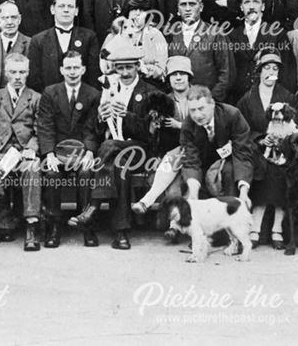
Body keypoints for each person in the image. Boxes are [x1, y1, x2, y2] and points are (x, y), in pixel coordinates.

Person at [67, 39, 158, 250]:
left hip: (140, 151)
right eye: (120, 68)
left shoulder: (150, 93)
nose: (125, 73)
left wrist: (126, 117)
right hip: (115, 156)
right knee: (118, 166)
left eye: (129, 67)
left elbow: (151, 134)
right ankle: (121, 232)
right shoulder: (106, 92)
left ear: (137, 67)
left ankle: (92, 208)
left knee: (109, 147)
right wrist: (100, 118)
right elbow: (90, 130)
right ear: (114, 68)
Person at [37, 50, 101, 248]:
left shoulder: (92, 94)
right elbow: (45, 126)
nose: (72, 72)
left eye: (76, 68)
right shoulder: (50, 93)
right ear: (61, 69)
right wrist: (49, 154)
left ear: (83, 69)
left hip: (82, 152)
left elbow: (92, 128)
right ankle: (54, 226)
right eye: (68, 68)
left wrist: (89, 152)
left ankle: (86, 225)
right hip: (57, 152)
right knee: (52, 174)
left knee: (86, 172)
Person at [0, 53, 42, 250]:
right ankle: (2, 223)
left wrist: (32, 148)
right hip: (0, 154)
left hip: (25, 153)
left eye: (22, 72)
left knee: (32, 169)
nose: (18, 77)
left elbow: (40, 130)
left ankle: (31, 226)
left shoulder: (36, 98)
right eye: (13, 72)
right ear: (6, 73)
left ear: (28, 73)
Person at [237, 53, 297, 250]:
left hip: (283, 151)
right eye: (266, 68)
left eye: (275, 69)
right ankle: (255, 228)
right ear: (259, 71)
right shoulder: (247, 98)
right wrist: (261, 138)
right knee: (263, 170)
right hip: (257, 149)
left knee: (280, 173)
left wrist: (282, 141)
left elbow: (297, 126)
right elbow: (241, 128)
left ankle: (277, 229)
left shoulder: (287, 96)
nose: (270, 73)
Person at [130, 56, 193, 225]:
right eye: (174, 75)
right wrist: (154, 126)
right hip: (171, 158)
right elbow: (154, 137)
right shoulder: (162, 101)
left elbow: (207, 127)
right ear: (168, 78)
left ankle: (147, 201)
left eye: (182, 74)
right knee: (173, 191)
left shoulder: (199, 97)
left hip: (198, 153)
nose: (178, 78)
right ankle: (175, 225)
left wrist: (180, 125)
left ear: (189, 77)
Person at [178, 85, 254, 206]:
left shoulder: (232, 115)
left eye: (201, 108)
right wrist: (192, 194)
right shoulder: (188, 125)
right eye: (192, 110)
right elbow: (191, 160)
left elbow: (243, 152)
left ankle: (233, 211)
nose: (197, 115)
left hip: (232, 161)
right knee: (190, 183)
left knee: (229, 171)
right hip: (204, 164)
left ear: (212, 104)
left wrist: (244, 192)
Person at [165, 0, 234, 102]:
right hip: (178, 103)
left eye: (192, 4)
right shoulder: (170, 34)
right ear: (178, 9)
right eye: (183, 4)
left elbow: (227, 73)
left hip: (207, 102)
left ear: (201, 7)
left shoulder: (215, 33)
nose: (187, 9)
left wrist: (211, 99)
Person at [27, 0, 101, 92]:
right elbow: (34, 78)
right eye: (61, 6)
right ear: (52, 9)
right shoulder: (38, 40)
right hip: (48, 101)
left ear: (76, 11)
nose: (66, 10)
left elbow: (94, 75)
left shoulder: (89, 37)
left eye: (70, 7)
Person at [101, 0, 168, 85]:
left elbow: (161, 69)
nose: (137, 13)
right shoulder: (113, 36)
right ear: (128, 13)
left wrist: (141, 69)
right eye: (134, 9)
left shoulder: (156, 35)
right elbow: (104, 65)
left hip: (148, 84)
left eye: (142, 10)